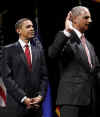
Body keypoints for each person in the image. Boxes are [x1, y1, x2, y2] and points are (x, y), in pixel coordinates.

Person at [48, 6, 100, 117]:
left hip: (90, 101)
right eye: (86, 18)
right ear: (75, 19)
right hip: (71, 101)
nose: (90, 21)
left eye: (90, 18)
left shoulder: (89, 45)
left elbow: (96, 71)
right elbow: (52, 54)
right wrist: (66, 31)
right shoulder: (66, 39)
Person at [3, 18, 48, 117]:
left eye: (32, 26)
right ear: (18, 30)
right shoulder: (8, 50)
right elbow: (7, 78)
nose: (32, 29)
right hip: (16, 107)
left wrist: (40, 96)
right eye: (28, 27)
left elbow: (44, 77)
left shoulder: (39, 51)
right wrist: (23, 98)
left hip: (36, 107)